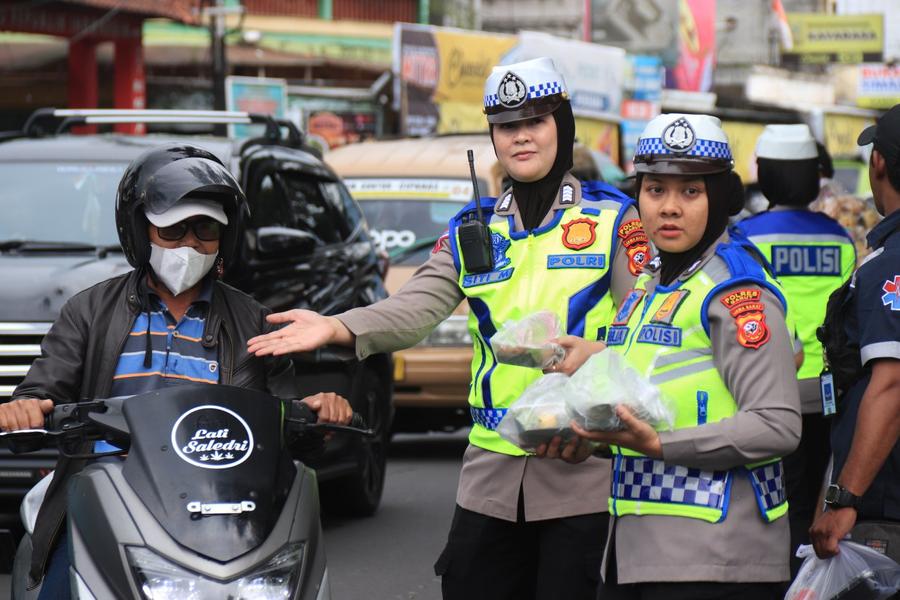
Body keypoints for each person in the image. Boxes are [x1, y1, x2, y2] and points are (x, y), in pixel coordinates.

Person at [248, 57, 649, 599]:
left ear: (564, 125)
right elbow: (412, 308)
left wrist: (597, 352)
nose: (521, 138)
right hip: (489, 469)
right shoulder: (472, 229)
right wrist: (336, 326)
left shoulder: (615, 220)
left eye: (535, 122)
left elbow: (649, 326)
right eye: (507, 126)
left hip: (584, 464)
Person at [0, 143, 352, 598]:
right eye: (173, 228)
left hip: (224, 505)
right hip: (107, 497)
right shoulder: (88, 311)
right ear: (141, 229)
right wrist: (24, 407)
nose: (190, 242)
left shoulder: (253, 321)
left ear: (224, 236)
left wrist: (317, 414)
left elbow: (281, 418)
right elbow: (42, 389)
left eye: (204, 228)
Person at [550, 113, 802, 599]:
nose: (669, 208)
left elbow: (778, 424)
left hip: (716, 565)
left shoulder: (736, 291)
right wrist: (594, 436)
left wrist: (660, 445)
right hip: (635, 556)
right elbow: (659, 387)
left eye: (690, 192)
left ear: (721, 198)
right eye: (655, 189)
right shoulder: (651, 285)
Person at [732, 124, 855, 576]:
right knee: (810, 498)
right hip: (825, 394)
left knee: (772, 494)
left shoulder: (746, 236)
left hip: (767, 390)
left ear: (764, 174)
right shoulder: (838, 237)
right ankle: (805, 578)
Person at [810, 104, 900, 560]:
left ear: (878, 162)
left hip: (886, 509)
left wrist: (843, 499)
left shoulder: (891, 267)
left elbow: (891, 386)